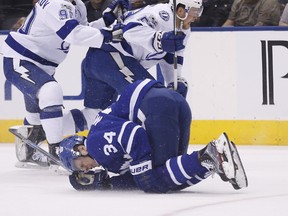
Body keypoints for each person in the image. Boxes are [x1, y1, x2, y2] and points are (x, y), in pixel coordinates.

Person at [58, 79, 248, 193]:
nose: (87, 168)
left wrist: (145, 172)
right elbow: (137, 176)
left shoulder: (95, 144)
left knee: (154, 182)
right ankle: (213, 161)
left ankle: (211, 154)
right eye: (82, 171)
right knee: (166, 177)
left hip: (154, 107)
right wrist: (106, 183)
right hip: (171, 103)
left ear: (80, 148)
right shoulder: (104, 150)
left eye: (81, 165)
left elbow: (133, 134)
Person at [0, 0, 127, 167]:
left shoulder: (77, 5)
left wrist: (107, 20)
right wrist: (109, 34)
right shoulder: (55, 3)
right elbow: (72, 33)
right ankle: (56, 152)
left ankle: (34, 141)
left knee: (46, 115)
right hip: (20, 60)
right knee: (50, 91)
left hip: (42, 67)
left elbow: (83, 29)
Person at [80, 0, 203, 114]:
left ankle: (60, 131)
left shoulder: (184, 29)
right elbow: (128, 30)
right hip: (109, 57)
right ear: (181, 10)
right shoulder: (161, 15)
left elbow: (171, 58)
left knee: (94, 115)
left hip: (103, 60)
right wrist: (158, 39)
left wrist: (174, 82)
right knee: (153, 98)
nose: (197, 16)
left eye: (199, 11)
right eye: (195, 11)